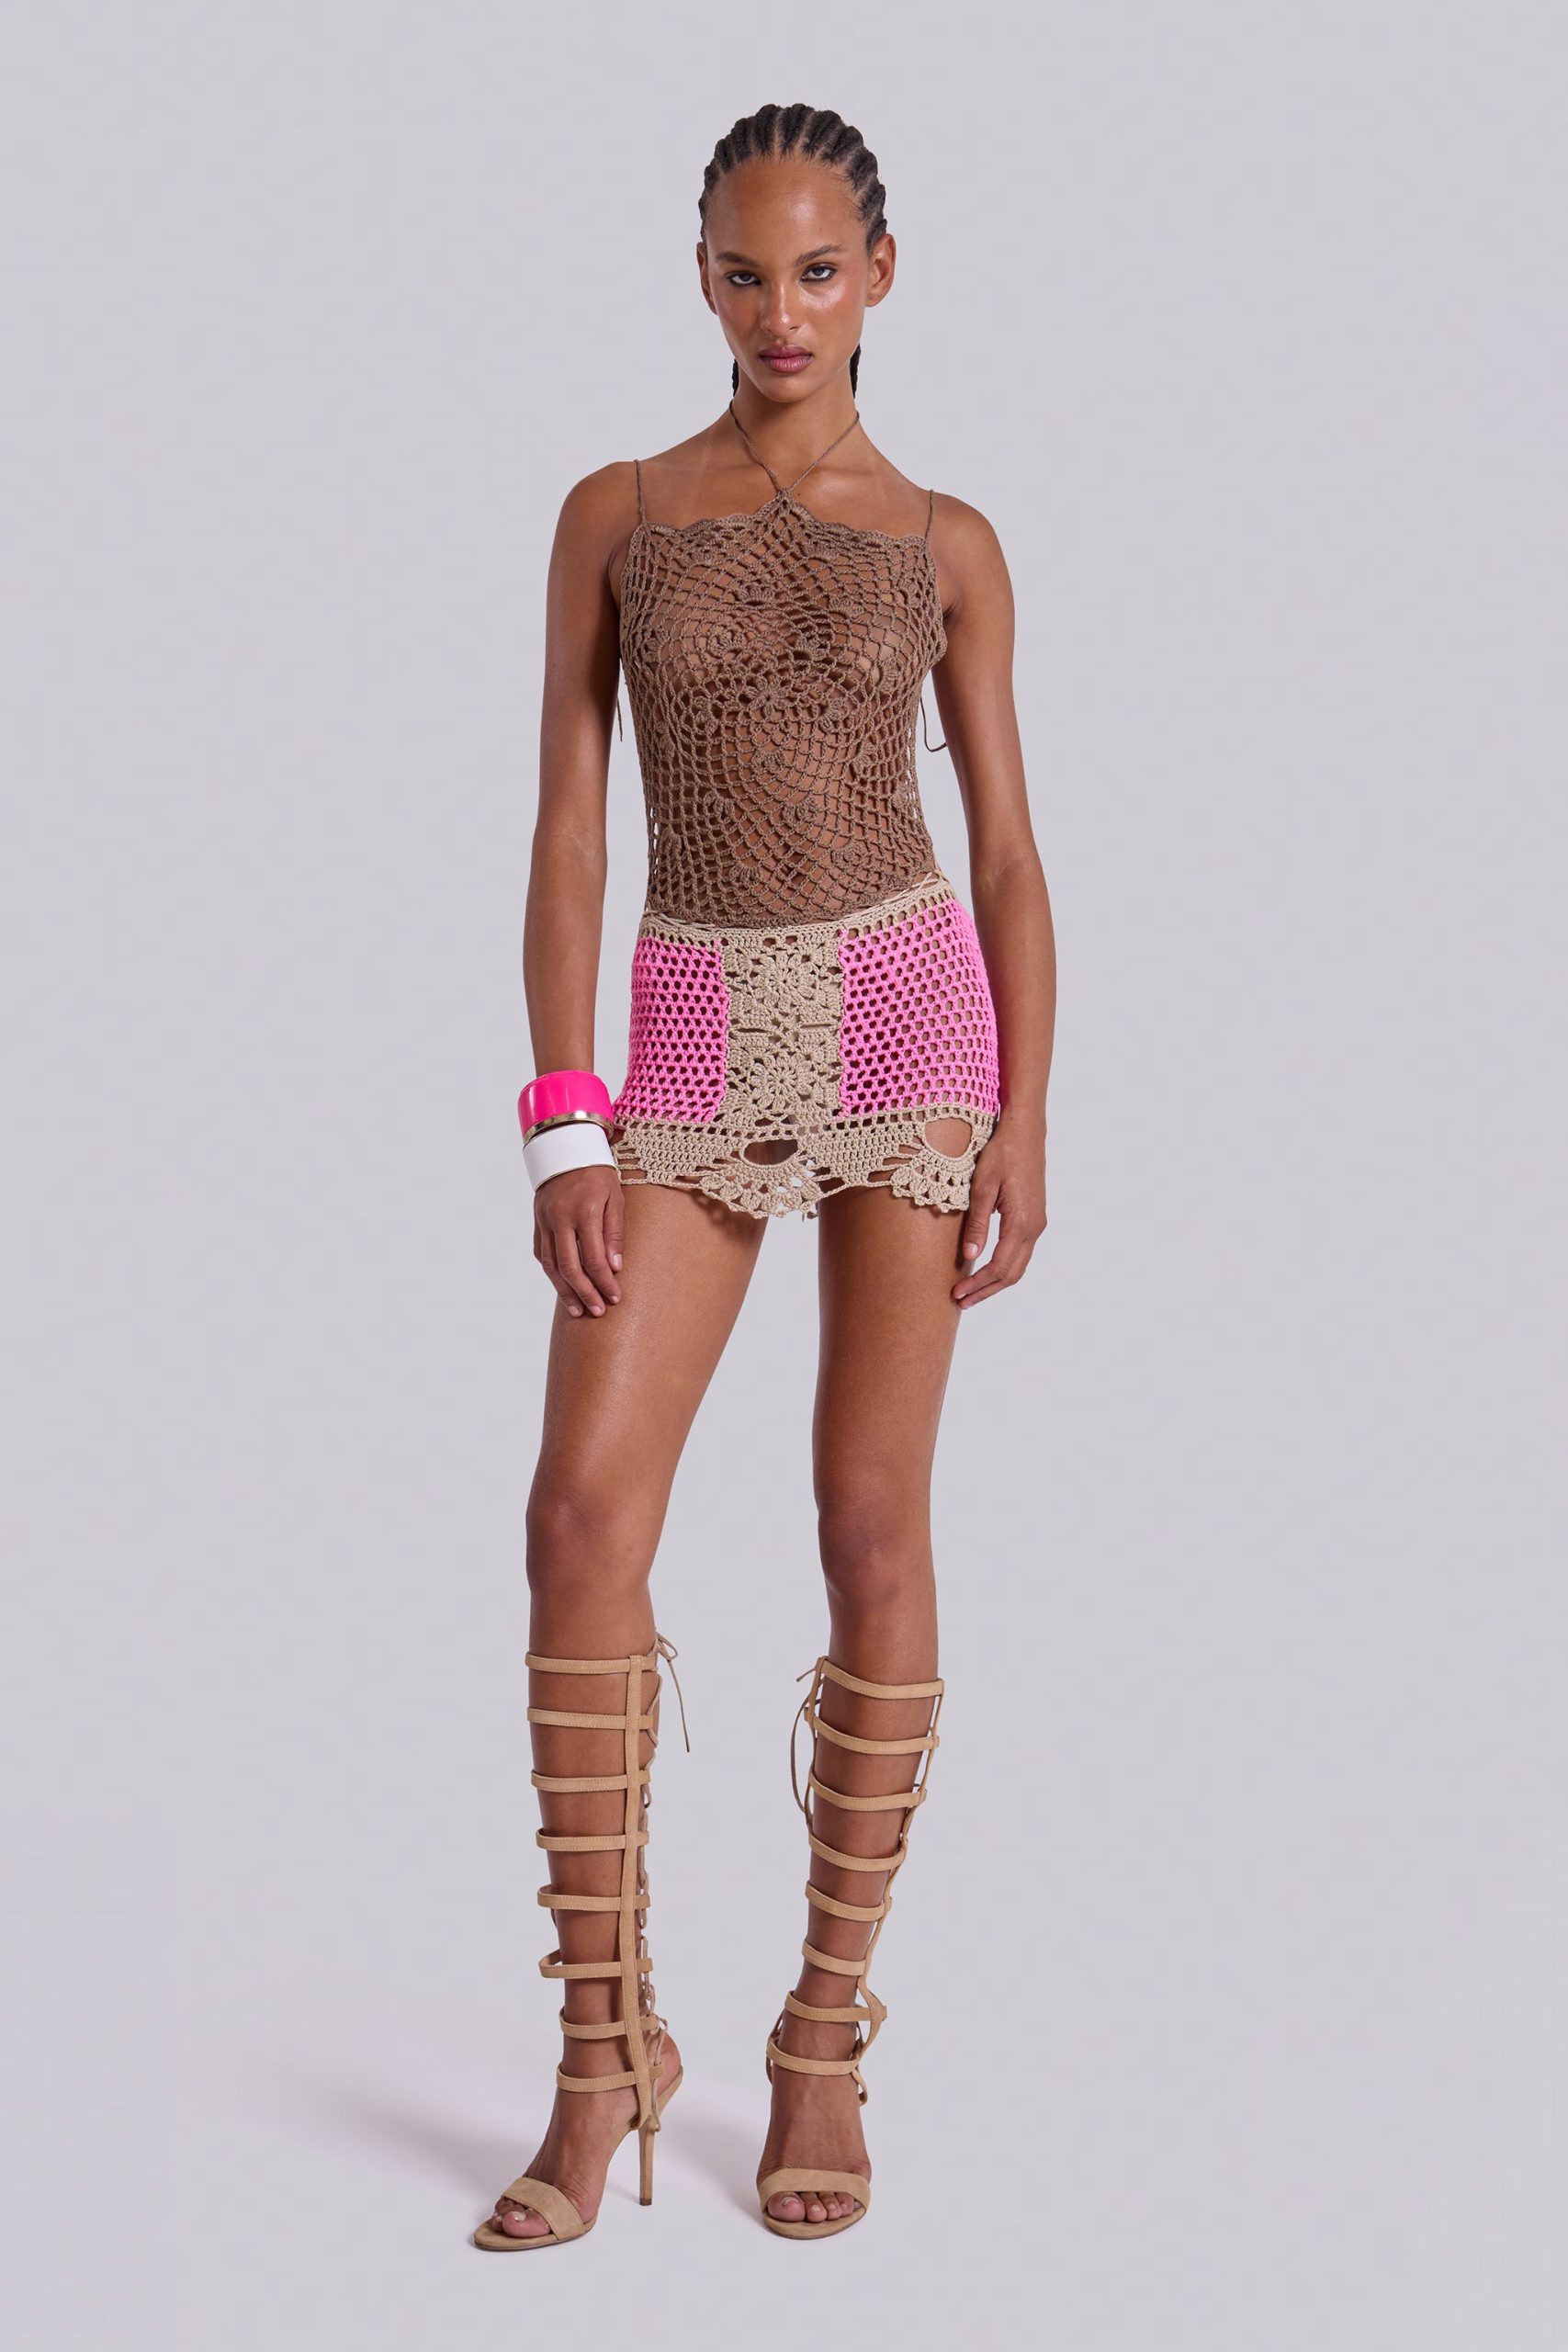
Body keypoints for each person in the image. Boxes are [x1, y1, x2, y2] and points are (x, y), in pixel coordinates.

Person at [474, 100, 1055, 2251]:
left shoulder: (949, 539)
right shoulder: (618, 513)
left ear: (877, 272)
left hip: (909, 1020)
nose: (780, 309)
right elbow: (565, 822)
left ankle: (820, 2031)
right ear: (699, 276)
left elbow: (1005, 850)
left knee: (868, 1518)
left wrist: (1024, 1112)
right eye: (743, 270)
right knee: (578, 1515)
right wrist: (564, 1112)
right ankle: (603, 2041)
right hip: (695, 1028)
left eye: (816, 268)